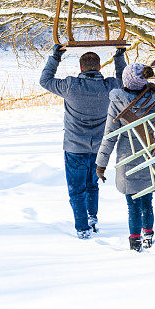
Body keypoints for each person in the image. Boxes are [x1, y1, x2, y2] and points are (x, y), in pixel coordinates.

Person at [40, 44, 126, 239]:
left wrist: (55, 57)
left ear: (81, 69)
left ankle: (82, 228)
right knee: (92, 186)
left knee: (76, 190)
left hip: (74, 148)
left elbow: (45, 80)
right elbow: (123, 80)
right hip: (99, 149)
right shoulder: (109, 86)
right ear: (99, 67)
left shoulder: (71, 86)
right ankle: (91, 217)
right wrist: (119, 56)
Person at [96, 63, 155, 252]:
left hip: (128, 156)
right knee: (147, 200)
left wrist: (101, 164)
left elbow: (110, 134)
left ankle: (135, 242)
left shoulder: (118, 102)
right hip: (150, 153)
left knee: (132, 203)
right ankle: (148, 234)